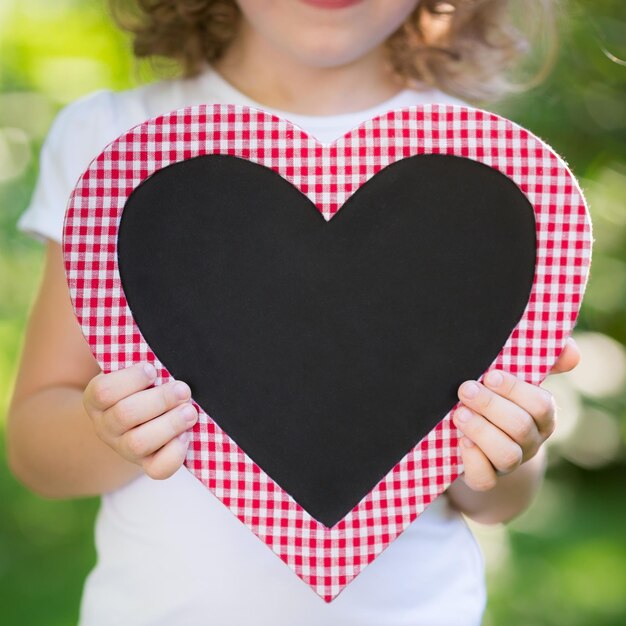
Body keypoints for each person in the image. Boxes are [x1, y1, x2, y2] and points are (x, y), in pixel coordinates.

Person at [6, 1, 581, 624]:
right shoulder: (115, 141)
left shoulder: (484, 170)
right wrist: (112, 430)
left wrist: (508, 446)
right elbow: (36, 446)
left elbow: (498, 499)